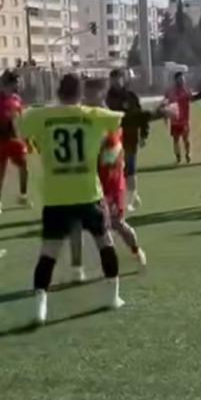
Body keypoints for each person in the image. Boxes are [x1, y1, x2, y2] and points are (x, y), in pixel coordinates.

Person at [18, 74, 125, 324]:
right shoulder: (92, 114)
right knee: (105, 243)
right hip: (88, 192)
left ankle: (40, 308)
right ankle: (113, 297)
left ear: (58, 92)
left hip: (56, 196)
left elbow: (17, 126)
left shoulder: (39, 116)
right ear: (80, 94)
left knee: (48, 253)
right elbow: (121, 121)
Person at [67, 78, 147, 280]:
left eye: (90, 94)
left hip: (109, 182)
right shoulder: (85, 116)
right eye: (84, 94)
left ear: (100, 94)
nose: (85, 98)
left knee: (116, 223)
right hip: (87, 181)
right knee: (75, 223)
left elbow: (110, 153)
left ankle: (137, 252)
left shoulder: (109, 119)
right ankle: (77, 268)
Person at [0, 70, 30, 215]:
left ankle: (23, 196)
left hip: (16, 140)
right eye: (18, 82)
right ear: (10, 83)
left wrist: (26, 139)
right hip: (2, 141)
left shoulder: (17, 99)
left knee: (24, 168)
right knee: (1, 173)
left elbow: (21, 121)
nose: (20, 85)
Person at [106, 69, 149, 212]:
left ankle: (132, 198)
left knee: (130, 168)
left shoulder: (131, 97)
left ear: (123, 79)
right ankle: (116, 199)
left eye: (118, 79)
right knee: (114, 170)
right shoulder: (106, 99)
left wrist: (144, 134)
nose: (116, 82)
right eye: (113, 79)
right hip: (111, 140)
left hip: (130, 137)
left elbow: (141, 116)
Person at [165, 71, 192, 164]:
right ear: (176, 80)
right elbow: (166, 103)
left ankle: (188, 154)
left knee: (186, 139)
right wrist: (166, 115)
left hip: (184, 120)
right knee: (176, 139)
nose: (182, 80)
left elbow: (192, 99)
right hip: (175, 121)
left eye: (183, 79)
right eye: (180, 79)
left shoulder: (187, 90)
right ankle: (178, 156)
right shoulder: (170, 92)